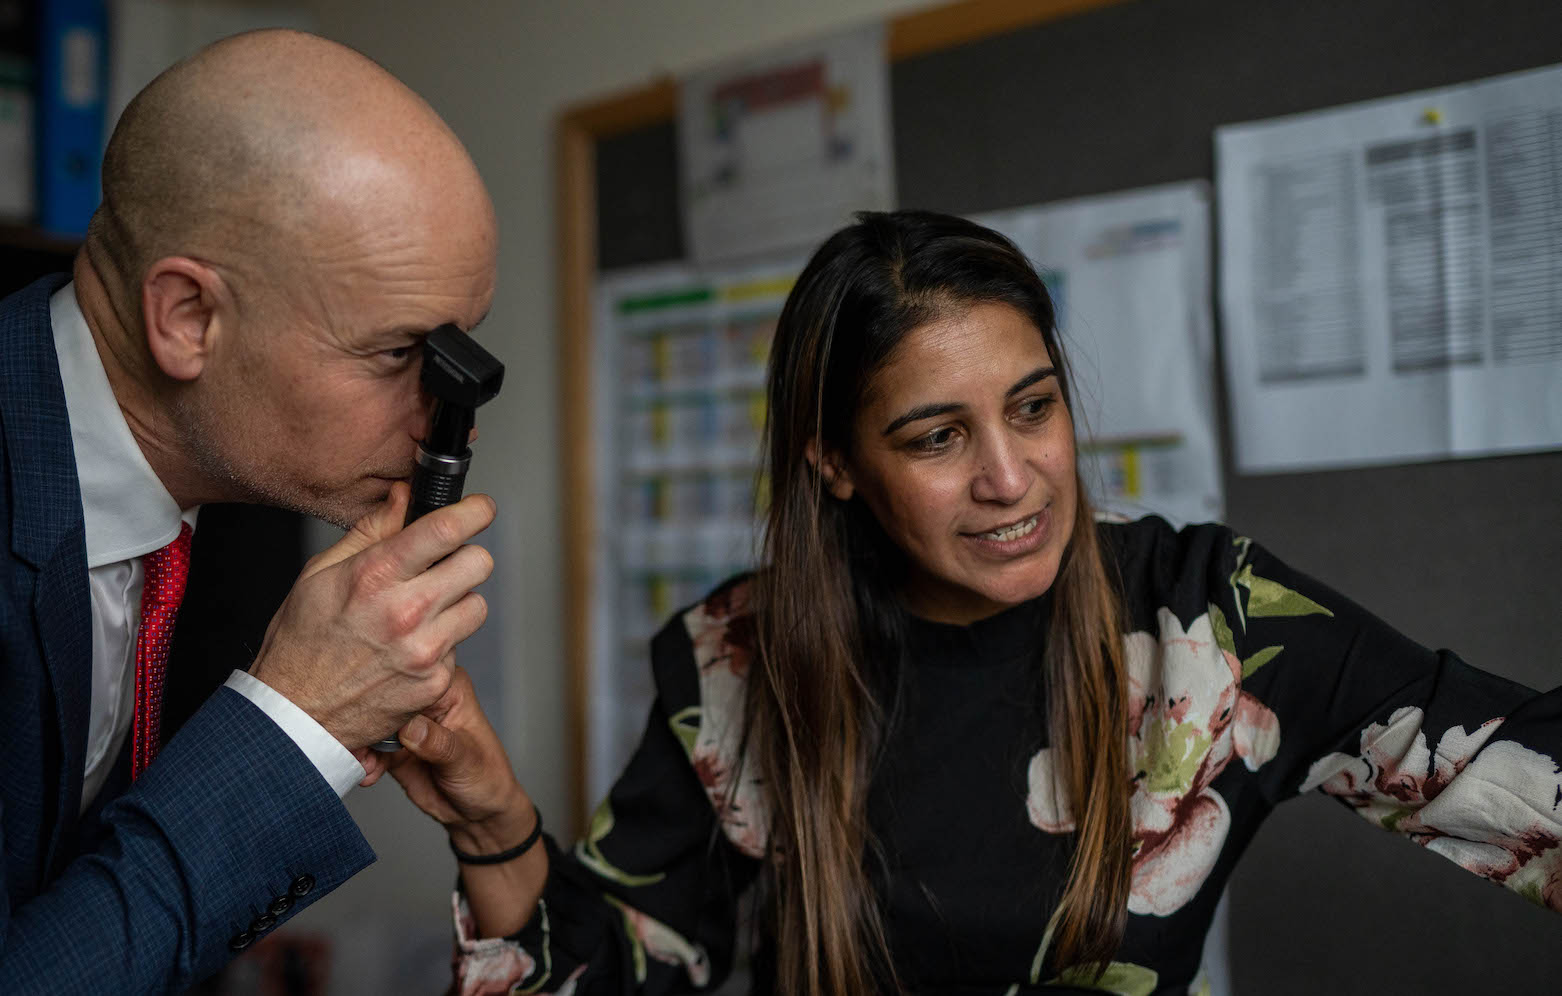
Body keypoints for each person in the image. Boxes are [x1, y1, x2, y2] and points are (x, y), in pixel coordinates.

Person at [371, 210, 1562, 995]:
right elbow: (611, 974)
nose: (1011, 477)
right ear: (835, 462)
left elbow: (1516, 774)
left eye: (1034, 407)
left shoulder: (1206, 622)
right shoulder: (736, 658)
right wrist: (488, 821)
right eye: (938, 435)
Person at [0, 29, 509, 993]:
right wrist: (301, 717)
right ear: (188, 318)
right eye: (396, 355)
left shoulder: (229, 482)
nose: (446, 429)